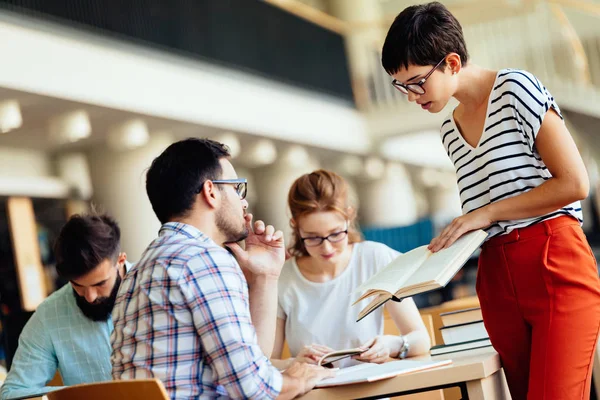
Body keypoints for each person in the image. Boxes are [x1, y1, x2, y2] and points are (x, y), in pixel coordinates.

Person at [382, 3, 600, 399]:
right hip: (497, 276)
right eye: (401, 86)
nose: (411, 96)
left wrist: (481, 215)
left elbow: (574, 182)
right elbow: (484, 219)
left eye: (416, 82)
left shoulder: (516, 88)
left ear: (451, 63)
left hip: (554, 260)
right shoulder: (449, 131)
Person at [110, 138, 334, 399]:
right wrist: (301, 378)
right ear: (211, 191)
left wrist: (266, 277)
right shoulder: (204, 260)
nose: (244, 203)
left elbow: (250, 364)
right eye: (237, 189)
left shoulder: (137, 272)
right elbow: (254, 390)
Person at [272, 170, 431, 369]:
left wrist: (391, 345)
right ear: (296, 226)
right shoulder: (282, 279)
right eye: (313, 237)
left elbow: (422, 340)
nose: (327, 248)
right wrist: (295, 363)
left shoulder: (375, 258)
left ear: (349, 216)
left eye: (336, 233)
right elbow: (266, 363)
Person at [1, 213, 130, 400]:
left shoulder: (155, 290)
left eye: (99, 284)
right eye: (77, 285)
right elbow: (13, 394)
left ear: (120, 260)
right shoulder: (49, 315)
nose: (90, 296)